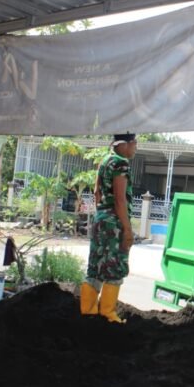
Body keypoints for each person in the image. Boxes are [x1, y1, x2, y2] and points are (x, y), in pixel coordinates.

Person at [80, 133, 137, 323]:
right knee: (114, 267)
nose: (136, 148)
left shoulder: (104, 161)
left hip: (100, 220)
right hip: (115, 223)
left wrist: (103, 215)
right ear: (125, 144)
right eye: (134, 143)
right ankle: (108, 315)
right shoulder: (121, 164)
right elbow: (120, 200)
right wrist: (127, 230)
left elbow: (97, 192)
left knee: (95, 267)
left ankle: (88, 312)